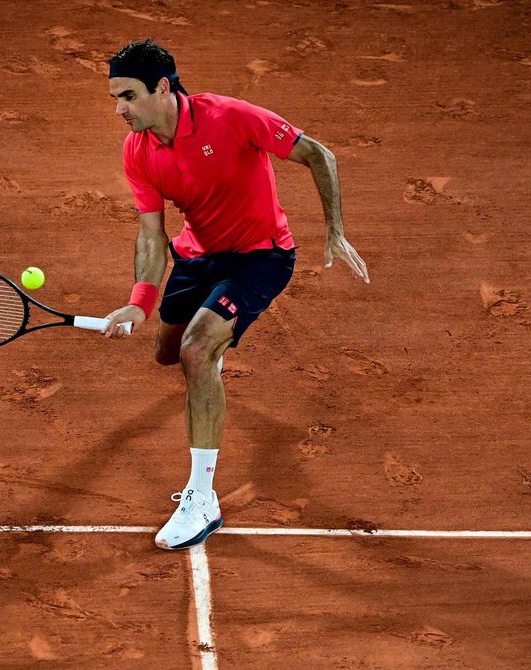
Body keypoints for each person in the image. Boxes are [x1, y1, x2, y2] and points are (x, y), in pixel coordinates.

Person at [101, 39, 369, 551]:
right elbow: (151, 236)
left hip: (260, 255)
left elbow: (319, 155)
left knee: (196, 352)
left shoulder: (231, 117)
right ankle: (208, 348)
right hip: (197, 256)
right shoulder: (138, 150)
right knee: (167, 352)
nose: (120, 110)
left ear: (162, 88)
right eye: (115, 97)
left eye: (128, 96)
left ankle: (202, 499)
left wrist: (334, 229)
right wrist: (140, 300)